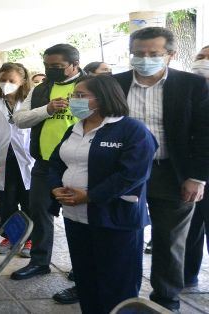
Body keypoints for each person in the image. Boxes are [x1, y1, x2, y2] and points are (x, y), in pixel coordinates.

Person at [113, 27, 209, 312]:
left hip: (172, 172)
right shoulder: (114, 83)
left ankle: (166, 300)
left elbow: (205, 133)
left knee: (169, 241)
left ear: (170, 54)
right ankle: (120, 294)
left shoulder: (192, 85)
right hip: (123, 173)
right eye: (139, 54)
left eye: (154, 54)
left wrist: (197, 177)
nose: (145, 59)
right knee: (120, 235)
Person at [49, 75, 157, 314]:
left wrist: (90, 196)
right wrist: (55, 186)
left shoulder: (131, 130)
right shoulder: (75, 128)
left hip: (115, 218)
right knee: (86, 278)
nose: (73, 100)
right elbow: (56, 162)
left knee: (117, 282)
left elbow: (132, 175)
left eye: (80, 96)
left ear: (103, 98)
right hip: (76, 217)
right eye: (72, 96)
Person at [11, 43, 84, 281]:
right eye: (47, 66)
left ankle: (82, 266)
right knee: (39, 212)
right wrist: (47, 110)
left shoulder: (89, 86)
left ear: (75, 64)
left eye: (57, 66)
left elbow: (102, 117)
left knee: (80, 217)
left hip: (80, 164)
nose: (51, 70)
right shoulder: (42, 89)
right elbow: (19, 120)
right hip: (44, 163)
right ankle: (40, 262)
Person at [0, 62, 35, 257]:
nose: (6, 84)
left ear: (23, 81)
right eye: (3, 80)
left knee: (29, 199)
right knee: (7, 199)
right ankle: (9, 236)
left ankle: (31, 239)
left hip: (26, 155)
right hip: (2, 154)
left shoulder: (29, 99)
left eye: (12, 80)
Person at [184, 44, 209, 290]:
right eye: (200, 56)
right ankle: (187, 275)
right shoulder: (188, 90)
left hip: (202, 172)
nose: (203, 61)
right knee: (190, 228)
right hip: (191, 173)